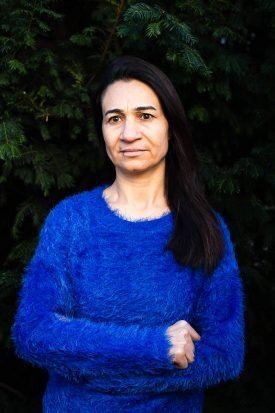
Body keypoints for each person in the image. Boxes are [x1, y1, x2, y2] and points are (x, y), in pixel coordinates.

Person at [12, 56, 245, 413]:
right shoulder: (71, 221)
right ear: (102, 130)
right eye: (114, 118)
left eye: (145, 116)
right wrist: (153, 349)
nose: (129, 133)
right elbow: (33, 333)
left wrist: (91, 366)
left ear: (171, 126)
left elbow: (225, 354)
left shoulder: (205, 228)